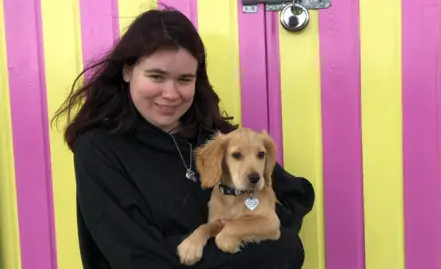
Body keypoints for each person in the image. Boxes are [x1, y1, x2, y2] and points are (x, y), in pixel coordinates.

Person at [51, 7, 315, 269]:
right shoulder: (100, 149)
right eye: (157, 76)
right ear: (128, 71)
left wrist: (259, 223)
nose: (171, 93)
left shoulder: (215, 136)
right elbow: (137, 256)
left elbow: (294, 196)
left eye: (184, 79)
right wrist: (271, 249)